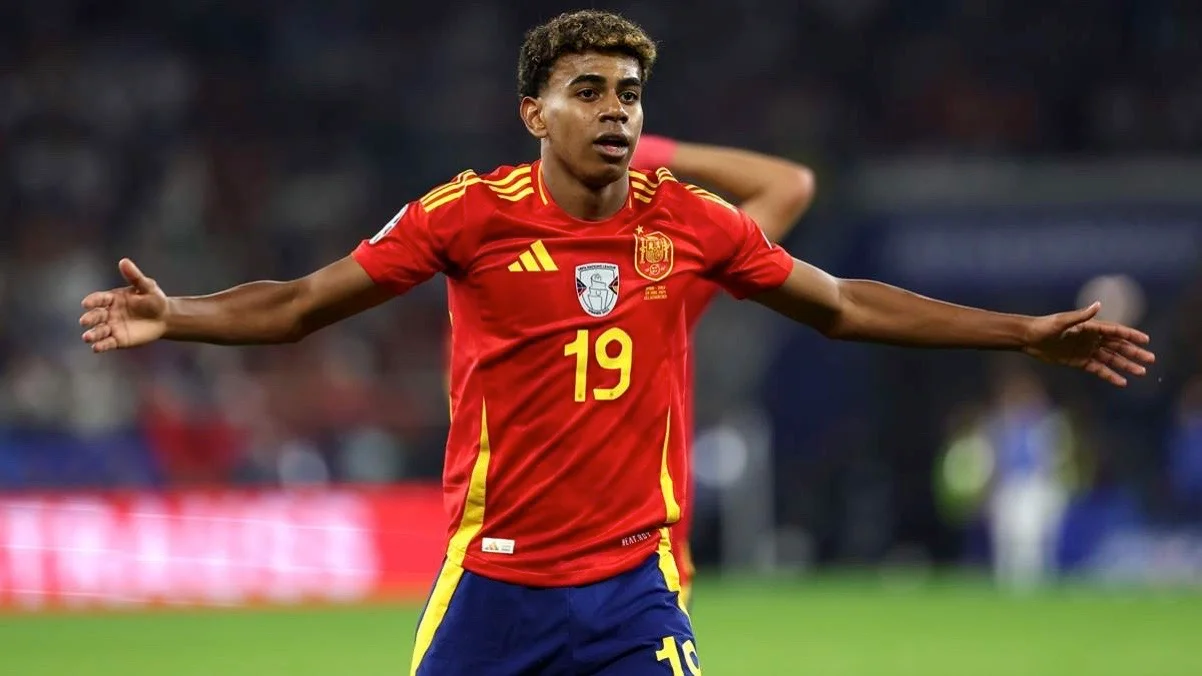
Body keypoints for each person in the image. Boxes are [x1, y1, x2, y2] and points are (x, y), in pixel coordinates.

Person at [78, 9, 1154, 675]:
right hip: (493, 582)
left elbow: (840, 303)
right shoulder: (468, 215)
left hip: (633, 586)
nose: (614, 112)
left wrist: (1021, 333)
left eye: (629, 95)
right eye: (586, 92)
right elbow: (301, 303)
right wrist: (179, 314)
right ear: (532, 113)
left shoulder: (687, 222)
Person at [628, 134, 815, 608]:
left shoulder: (664, 277)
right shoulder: (668, 279)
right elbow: (788, 186)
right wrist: (658, 153)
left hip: (564, 561)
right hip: (642, 562)